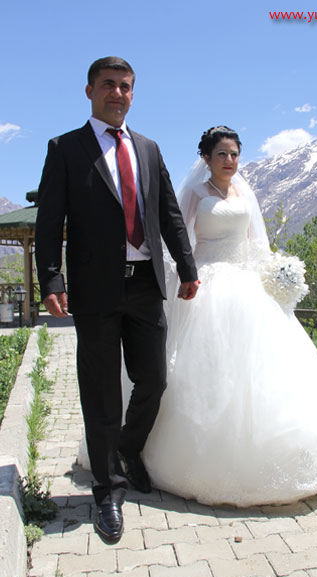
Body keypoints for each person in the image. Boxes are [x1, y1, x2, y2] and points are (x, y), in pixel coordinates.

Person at [139, 126, 317, 506]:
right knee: (210, 367)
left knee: (263, 367)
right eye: (222, 154)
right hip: (207, 284)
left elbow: (256, 243)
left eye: (234, 154)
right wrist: (184, 276)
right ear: (206, 159)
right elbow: (177, 238)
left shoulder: (245, 192)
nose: (229, 161)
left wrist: (274, 276)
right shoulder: (195, 193)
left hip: (246, 284)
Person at [35, 57, 198, 543]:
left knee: (154, 379)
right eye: (109, 85)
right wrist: (51, 279)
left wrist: (187, 267)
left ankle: (127, 447)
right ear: (89, 91)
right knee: (102, 391)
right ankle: (107, 491)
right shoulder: (65, 148)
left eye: (126, 86)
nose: (118, 93)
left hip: (146, 284)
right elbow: (49, 221)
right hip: (96, 289)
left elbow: (168, 212)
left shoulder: (148, 148)